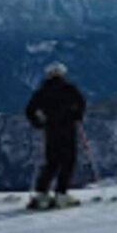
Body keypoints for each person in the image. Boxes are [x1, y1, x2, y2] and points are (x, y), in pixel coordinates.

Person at [24, 62, 87, 210]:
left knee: (51, 162)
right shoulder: (70, 89)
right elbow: (81, 104)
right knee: (68, 161)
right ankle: (61, 194)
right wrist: (76, 116)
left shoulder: (42, 91)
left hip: (50, 130)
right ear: (62, 74)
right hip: (68, 129)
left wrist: (39, 123)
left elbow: (29, 110)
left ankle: (42, 194)